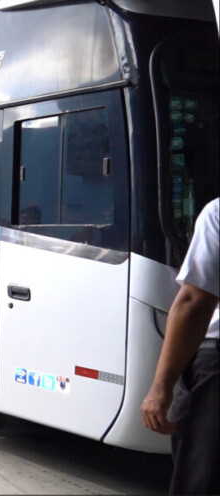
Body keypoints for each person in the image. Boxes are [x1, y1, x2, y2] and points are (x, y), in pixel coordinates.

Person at [141, 197, 219, 495]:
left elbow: (195, 302)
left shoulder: (217, 213)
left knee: (202, 480)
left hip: (214, 372)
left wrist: (160, 388)